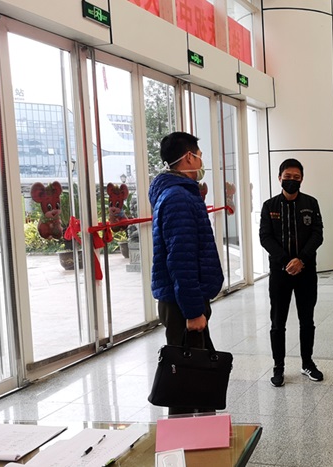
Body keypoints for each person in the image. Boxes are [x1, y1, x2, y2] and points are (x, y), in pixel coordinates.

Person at [149, 131, 224, 415]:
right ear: (189, 157)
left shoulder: (179, 193)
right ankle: (185, 434)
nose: (201, 161)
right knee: (186, 376)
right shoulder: (178, 197)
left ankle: (199, 429)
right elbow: (181, 259)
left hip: (183, 298)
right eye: (199, 155)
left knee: (193, 370)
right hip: (182, 304)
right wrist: (193, 311)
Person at [259, 158, 324, 387]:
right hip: (280, 273)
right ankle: (278, 366)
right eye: (287, 177)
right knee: (278, 321)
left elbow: (317, 234)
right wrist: (287, 261)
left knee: (307, 320)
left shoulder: (311, 203)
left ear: (302, 179)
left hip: (306, 271)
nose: (292, 181)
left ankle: (307, 363)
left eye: (296, 177)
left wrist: (301, 259)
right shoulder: (269, 206)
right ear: (279, 178)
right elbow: (265, 237)